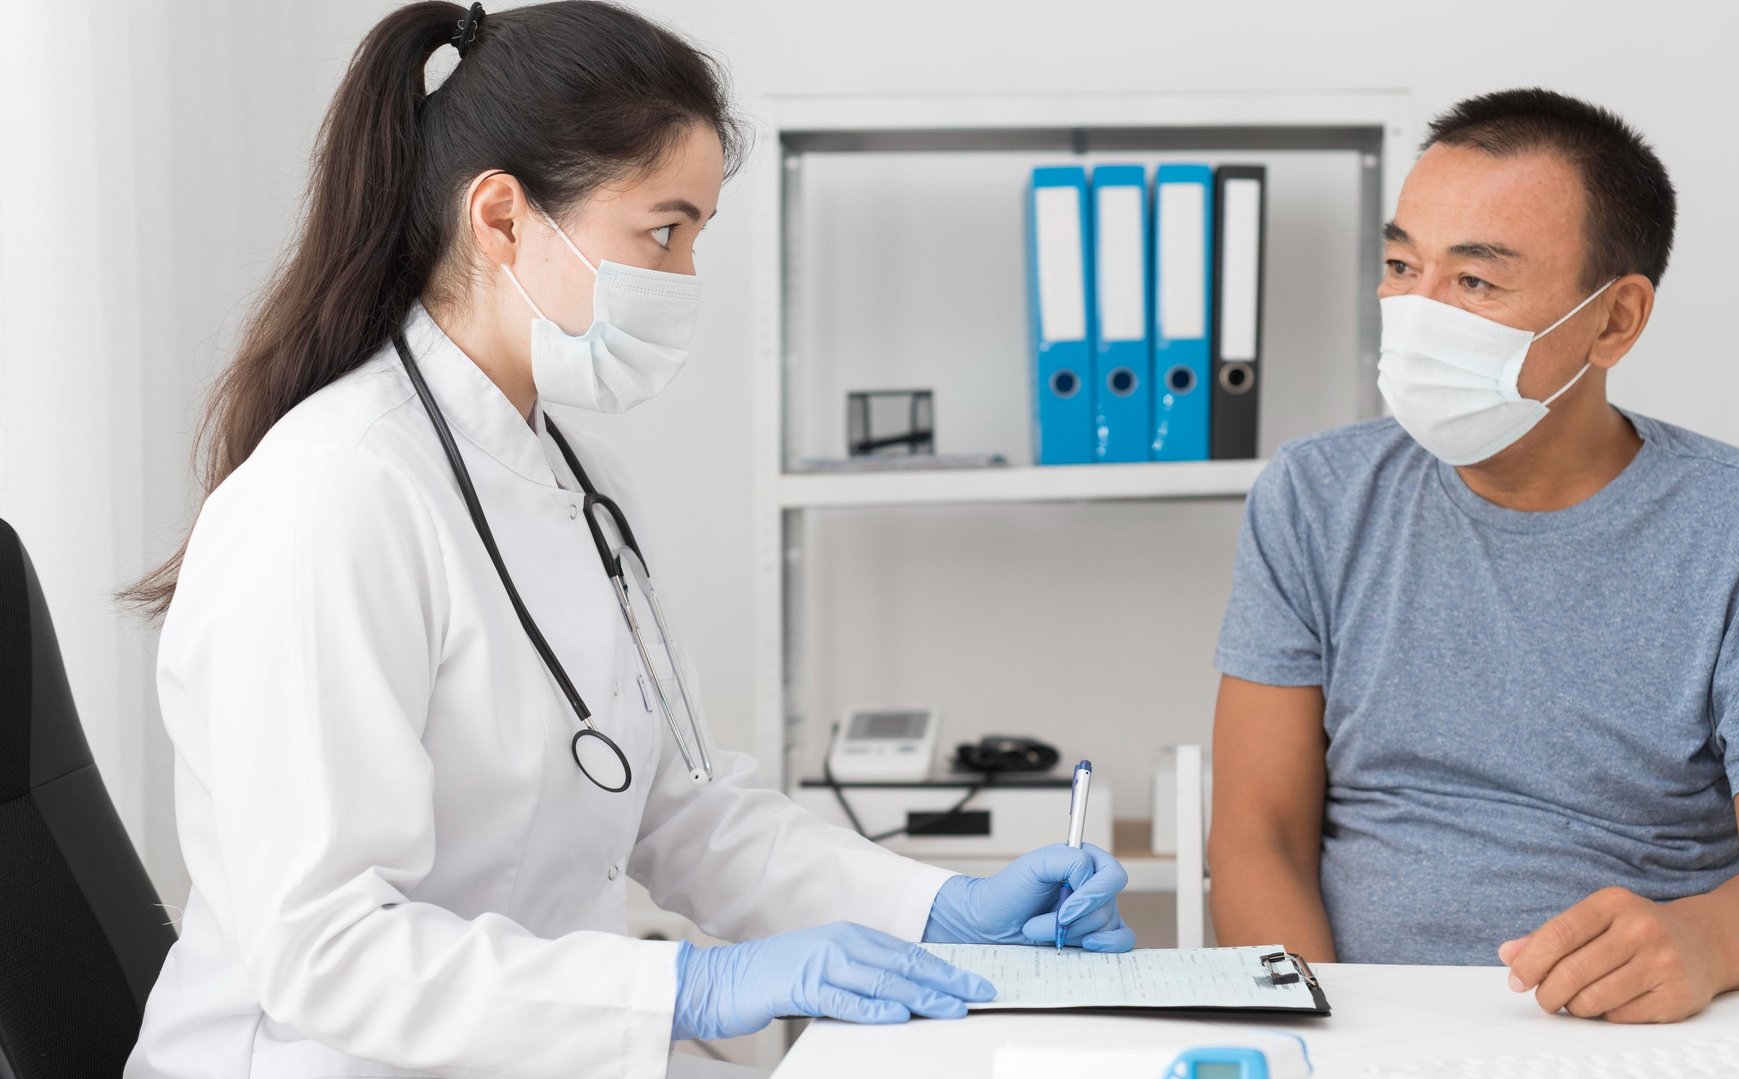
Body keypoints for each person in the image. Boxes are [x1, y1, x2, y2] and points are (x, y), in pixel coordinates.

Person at [121, 3, 1131, 1076]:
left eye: (696, 236)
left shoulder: (581, 486)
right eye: (664, 231)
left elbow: (680, 808)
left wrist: (942, 906)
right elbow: (326, 951)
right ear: (503, 219)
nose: (685, 279)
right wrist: (694, 983)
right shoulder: (333, 494)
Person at [1207, 87, 1739, 1025]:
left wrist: (1704, 941)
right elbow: (1254, 834)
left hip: (1634, 1027)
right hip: (1361, 1021)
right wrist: (1320, 1029)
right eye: (1402, 265)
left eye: (1476, 283)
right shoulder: (1315, 495)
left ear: (1615, 321)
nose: (1416, 314)